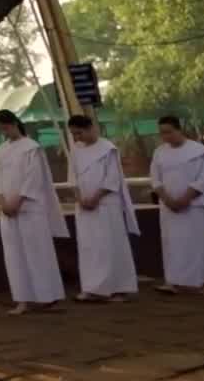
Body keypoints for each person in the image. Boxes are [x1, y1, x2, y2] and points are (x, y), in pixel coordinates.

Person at [0, 109, 68, 315]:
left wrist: (18, 201)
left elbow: (33, 179)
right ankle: (22, 299)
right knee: (14, 255)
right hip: (8, 210)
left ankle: (46, 295)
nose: (4, 132)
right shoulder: (2, 149)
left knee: (37, 252)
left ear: (14, 123)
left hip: (29, 208)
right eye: (1, 130)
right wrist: (3, 202)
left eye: (5, 127)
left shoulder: (32, 148)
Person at [149, 115, 204, 295]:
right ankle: (174, 280)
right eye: (162, 133)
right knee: (173, 244)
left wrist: (185, 199)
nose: (166, 136)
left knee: (202, 243)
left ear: (179, 130)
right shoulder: (159, 152)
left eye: (169, 132)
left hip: (196, 206)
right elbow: (155, 178)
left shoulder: (199, 151)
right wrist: (167, 198)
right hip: (169, 206)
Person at [67, 114, 139, 301]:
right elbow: (73, 178)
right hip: (84, 207)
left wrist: (96, 197)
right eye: (74, 134)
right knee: (89, 247)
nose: (77, 138)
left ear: (91, 127)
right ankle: (91, 287)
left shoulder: (108, 149)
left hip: (106, 205)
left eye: (79, 133)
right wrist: (80, 198)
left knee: (110, 245)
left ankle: (117, 288)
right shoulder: (76, 151)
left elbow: (112, 178)